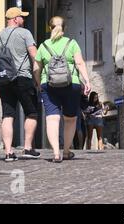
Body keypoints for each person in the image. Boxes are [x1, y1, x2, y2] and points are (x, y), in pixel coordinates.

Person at [33, 16, 91, 163]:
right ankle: (66, 151)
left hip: (49, 84)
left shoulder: (43, 46)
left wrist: (39, 84)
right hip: (72, 84)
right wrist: (87, 80)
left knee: (52, 118)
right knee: (70, 119)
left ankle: (56, 153)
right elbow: (79, 63)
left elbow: (36, 68)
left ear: (49, 28)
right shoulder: (72, 43)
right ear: (64, 28)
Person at [0, 7, 40, 162]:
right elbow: (34, 56)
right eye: (21, 17)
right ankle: (27, 147)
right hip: (23, 78)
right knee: (31, 112)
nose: (23, 19)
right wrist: (38, 79)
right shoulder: (24, 33)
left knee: (7, 114)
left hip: (5, 80)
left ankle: (8, 152)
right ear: (15, 19)